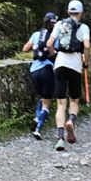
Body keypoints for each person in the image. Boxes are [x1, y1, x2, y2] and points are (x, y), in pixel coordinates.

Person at [46, 0, 90, 151]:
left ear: (68, 12)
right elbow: (87, 46)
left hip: (60, 64)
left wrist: (53, 56)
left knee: (60, 103)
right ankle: (71, 120)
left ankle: (59, 138)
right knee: (74, 100)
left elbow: (49, 44)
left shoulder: (59, 24)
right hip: (75, 66)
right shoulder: (84, 27)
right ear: (81, 13)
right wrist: (86, 62)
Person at [22, 12, 58, 140]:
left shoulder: (37, 34)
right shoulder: (54, 37)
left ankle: (37, 117)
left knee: (42, 97)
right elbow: (55, 52)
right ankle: (37, 126)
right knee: (47, 102)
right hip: (47, 70)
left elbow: (25, 49)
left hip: (34, 70)